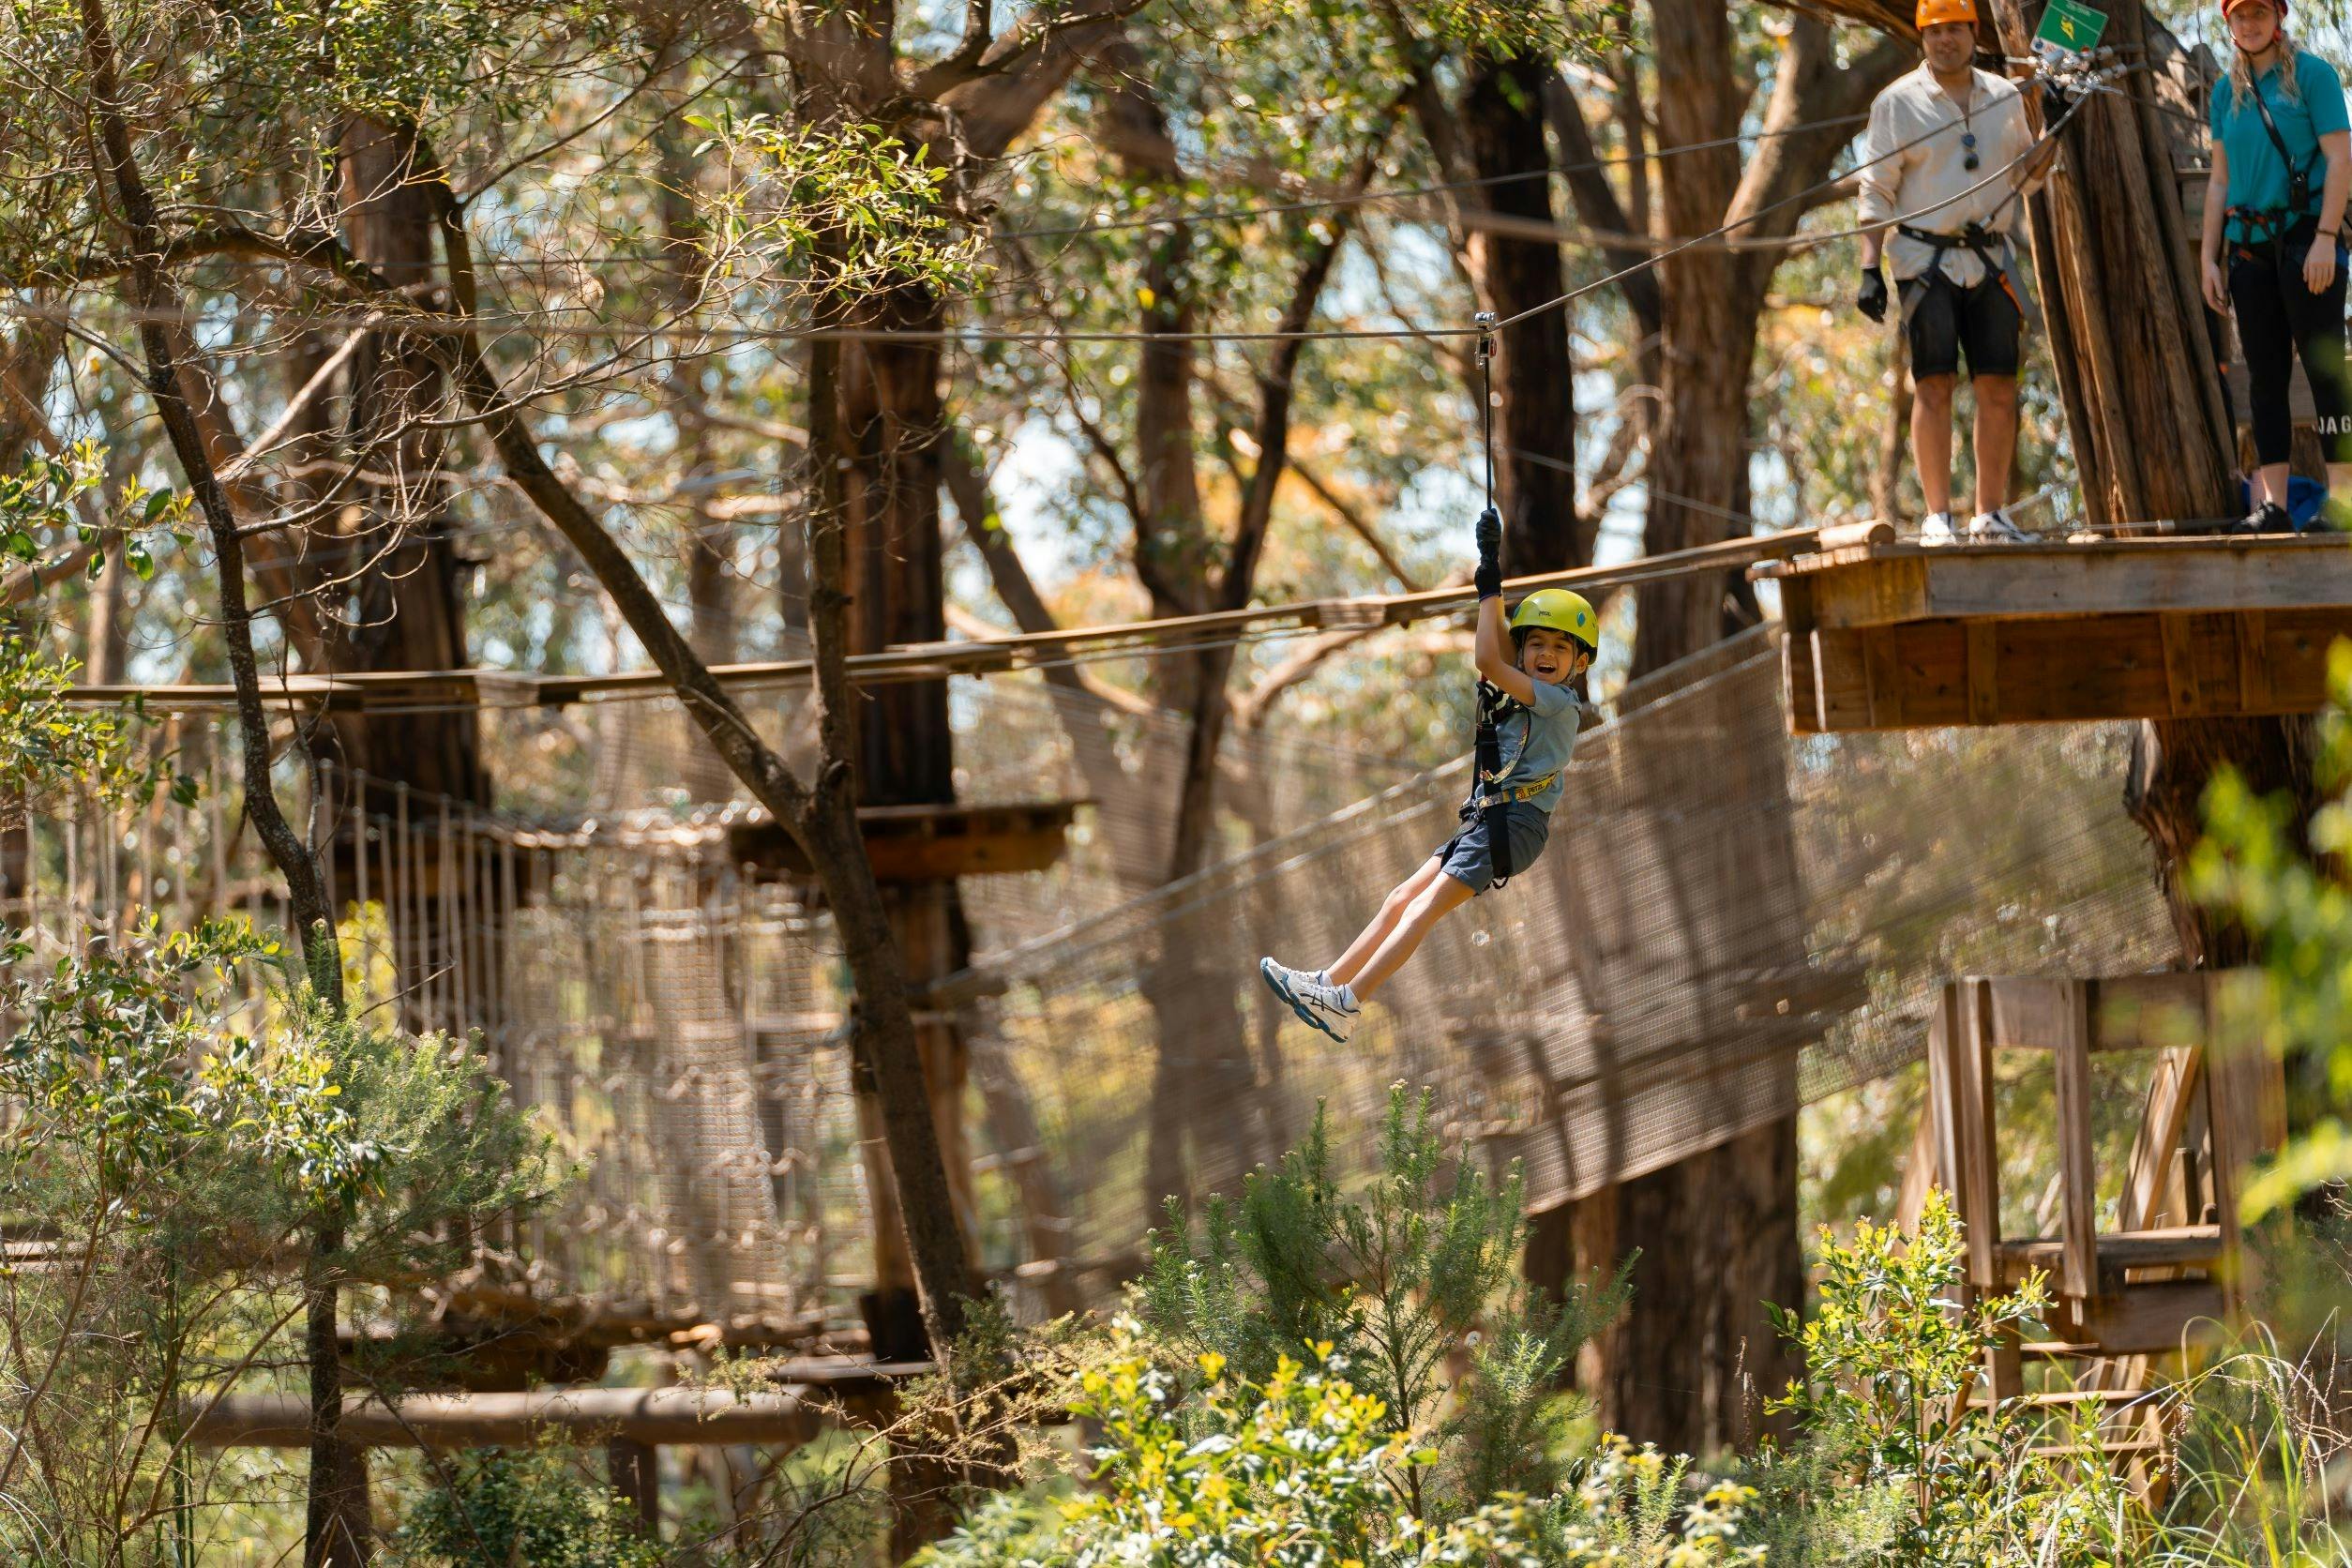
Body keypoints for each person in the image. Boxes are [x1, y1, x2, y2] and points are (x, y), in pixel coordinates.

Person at [1258, 508, 1593, 1043]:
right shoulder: (1530, 687)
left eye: (1560, 648)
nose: (1545, 654)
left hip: (1515, 824)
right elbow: (1499, 652)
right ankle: (1328, 981)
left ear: (1578, 663)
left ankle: (1348, 1001)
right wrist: (1493, 581)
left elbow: (1488, 657)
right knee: (1399, 897)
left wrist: (1489, 579)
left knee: (1421, 907)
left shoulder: (1558, 702)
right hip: (1492, 818)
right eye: (1536, 644)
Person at [1857, 0, 2060, 545]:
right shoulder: (1897, 103)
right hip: (1925, 262)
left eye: (1955, 30)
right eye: (1935, 31)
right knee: (1934, 382)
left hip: (1990, 258)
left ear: (1974, 31)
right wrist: (1869, 268)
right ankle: (1937, 517)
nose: (1945, 40)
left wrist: (2053, 126)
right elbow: (1875, 189)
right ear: (1923, 37)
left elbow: (2029, 174)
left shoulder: (2002, 97)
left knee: (1998, 385)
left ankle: (1989, 515)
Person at [2200, 0, 2352, 533]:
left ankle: (2344, 503)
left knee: (2326, 373)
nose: (2250, 23)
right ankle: (2274, 505)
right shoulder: (2225, 91)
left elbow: (2340, 158)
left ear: (2279, 16)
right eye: (2240, 14)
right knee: (2266, 380)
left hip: (2307, 241)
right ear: (2229, 21)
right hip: (2247, 251)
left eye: (2260, 11)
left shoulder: (2313, 75)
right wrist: (2209, 259)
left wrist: (2327, 239)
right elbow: (2219, 181)